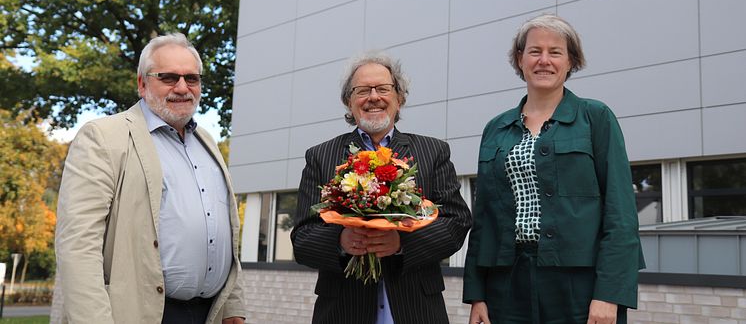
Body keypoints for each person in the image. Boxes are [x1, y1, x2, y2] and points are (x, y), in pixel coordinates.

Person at [462, 14, 644, 324]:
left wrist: (609, 295)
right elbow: (484, 218)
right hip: (505, 286)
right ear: (520, 59)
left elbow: (621, 214)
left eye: (555, 52)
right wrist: (477, 294)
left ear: (571, 60)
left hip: (578, 285)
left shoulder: (596, 118)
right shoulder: (496, 129)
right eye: (534, 51)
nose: (543, 60)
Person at [55, 33, 246, 324]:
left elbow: (223, 232)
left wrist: (233, 307)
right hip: (136, 314)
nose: (182, 87)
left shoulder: (207, 142)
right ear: (142, 84)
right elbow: (78, 246)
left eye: (192, 79)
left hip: (210, 313)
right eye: (168, 77)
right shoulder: (103, 138)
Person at [291, 52, 472, 324]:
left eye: (383, 88)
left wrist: (402, 243)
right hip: (342, 311)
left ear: (399, 99)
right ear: (348, 102)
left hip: (417, 310)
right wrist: (341, 242)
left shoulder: (432, 151)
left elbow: (457, 222)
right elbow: (302, 238)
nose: (373, 96)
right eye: (362, 90)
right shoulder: (320, 156)